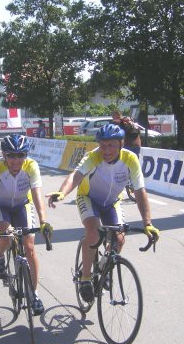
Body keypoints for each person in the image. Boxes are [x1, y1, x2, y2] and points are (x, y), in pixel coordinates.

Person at [47, 124, 160, 302]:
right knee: (93, 232)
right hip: (88, 198)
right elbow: (76, 176)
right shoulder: (93, 157)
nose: (106, 150)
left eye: (111, 145)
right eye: (103, 145)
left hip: (111, 202)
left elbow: (140, 191)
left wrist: (148, 223)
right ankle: (85, 278)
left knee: (119, 238)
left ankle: (104, 266)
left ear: (121, 144)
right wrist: (62, 192)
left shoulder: (130, 159)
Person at [0, 134, 52, 316]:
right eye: (11, 156)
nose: (16, 160)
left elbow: (37, 194)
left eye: (20, 155)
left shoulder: (31, 166)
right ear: (4, 155)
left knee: (29, 248)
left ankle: (34, 294)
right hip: (2, 206)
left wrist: (43, 221)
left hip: (23, 204)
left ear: (25, 155)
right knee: (6, 239)